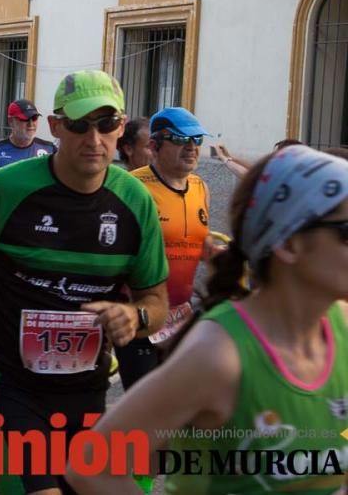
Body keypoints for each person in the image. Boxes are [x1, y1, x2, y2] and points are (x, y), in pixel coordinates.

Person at [0, 70, 170, 495]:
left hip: (86, 389)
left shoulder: (135, 201)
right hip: (11, 384)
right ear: (56, 128)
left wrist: (134, 316)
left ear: (121, 128)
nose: (94, 139)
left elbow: (154, 300)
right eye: (79, 125)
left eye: (106, 125)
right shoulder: (4, 188)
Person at [66, 145, 348, 494]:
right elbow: (94, 465)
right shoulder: (219, 357)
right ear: (289, 244)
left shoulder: (342, 328)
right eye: (346, 230)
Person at [116, 107, 211, 390]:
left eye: (197, 140)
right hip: (139, 312)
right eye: (181, 140)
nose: (191, 148)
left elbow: (194, 238)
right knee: (145, 403)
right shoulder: (132, 187)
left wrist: (214, 252)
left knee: (180, 405)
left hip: (181, 313)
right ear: (155, 146)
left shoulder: (200, 187)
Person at [0, 98, 56, 184]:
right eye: (24, 119)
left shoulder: (50, 149)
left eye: (34, 118)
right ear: (11, 121)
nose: (31, 124)